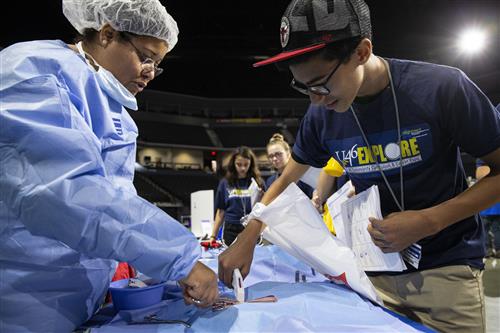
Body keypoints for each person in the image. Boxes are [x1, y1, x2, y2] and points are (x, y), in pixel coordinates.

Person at [218, 1, 500, 332]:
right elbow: (285, 181)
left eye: (321, 83)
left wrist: (428, 221)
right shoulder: (321, 115)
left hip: (444, 272)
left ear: (362, 52)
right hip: (372, 275)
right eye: (304, 87)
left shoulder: (442, 88)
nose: (315, 99)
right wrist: (249, 235)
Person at [0, 1, 218, 331]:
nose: (149, 71)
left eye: (157, 65)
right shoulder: (36, 69)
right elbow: (64, 195)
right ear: (107, 34)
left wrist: (146, 264)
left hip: (75, 300)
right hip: (22, 299)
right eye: (145, 56)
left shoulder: (116, 113)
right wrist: (176, 258)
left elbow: (117, 204)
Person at [210, 146, 264, 246]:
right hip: (230, 230)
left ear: (251, 164)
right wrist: (213, 236)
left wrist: (262, 197)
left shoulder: (258, 183)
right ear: (233, 164)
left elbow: (265, 208)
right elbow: (220, 211)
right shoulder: (224, 183)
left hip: (251, 228)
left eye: (246, 164)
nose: (243, 168)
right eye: (239, 164)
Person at [265, 133, 314, 198]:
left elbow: (314, 196)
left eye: (278, 154)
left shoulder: (302, 175)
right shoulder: (270, 181)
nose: (274, 159)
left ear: (288, 153)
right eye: (271, 156)